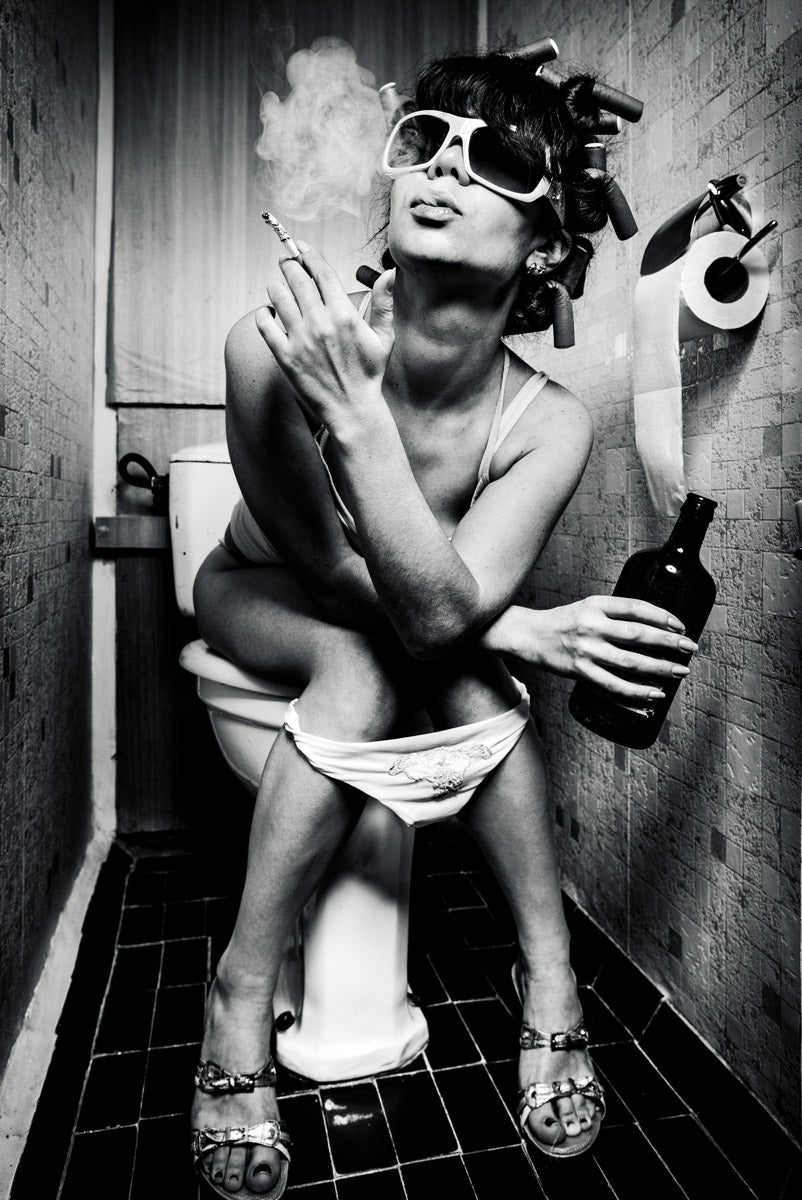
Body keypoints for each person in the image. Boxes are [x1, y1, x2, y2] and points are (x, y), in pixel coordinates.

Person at [189, 50, 696, 1198]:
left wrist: (474, 630)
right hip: (263, 588)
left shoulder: (547, 423)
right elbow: (329, 572)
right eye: (426, 141)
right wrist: (510, 629)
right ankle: (238, 993)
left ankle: (549, 977)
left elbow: (439, 619)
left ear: (546, 248)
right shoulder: (266, 349)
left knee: (470, 687)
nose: (447, 170)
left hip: (407, 612)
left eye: (497, 159)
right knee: (368, 668)